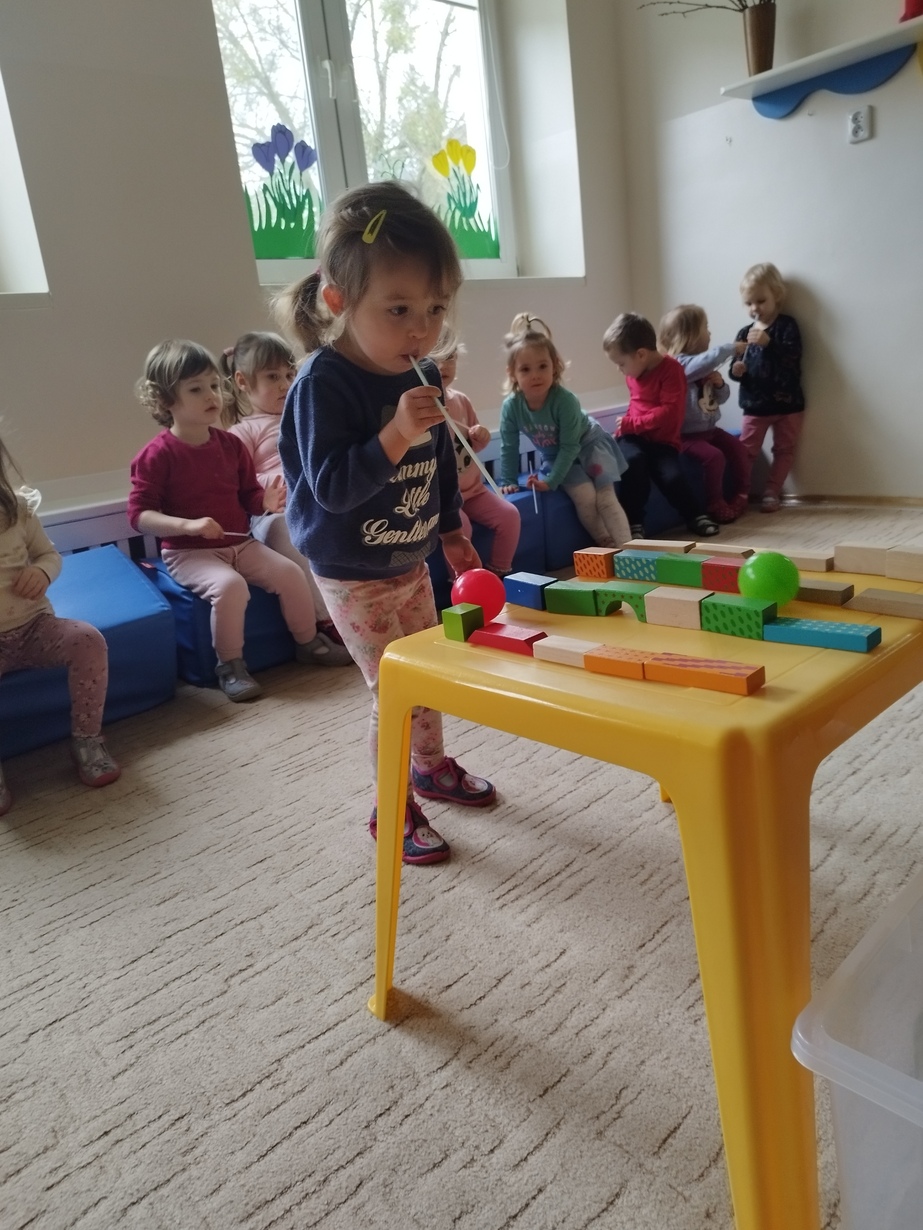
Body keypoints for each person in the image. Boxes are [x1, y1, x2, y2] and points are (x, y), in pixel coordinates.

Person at [275, 181, 495, 866]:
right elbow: (332, 488)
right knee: (395, 687)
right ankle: (391, 804)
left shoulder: (421, 371)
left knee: (427, 673)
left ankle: (428, 767)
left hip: (409, 555)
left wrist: (451, 530)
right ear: (338, 301)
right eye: (398, 309)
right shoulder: (322, 384)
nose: (420, 329)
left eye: (435, 308)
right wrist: (396, 431)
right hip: (350, 569)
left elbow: (437, 460)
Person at [130, 340, 340, 703]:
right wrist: (188, 526)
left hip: (240, 543)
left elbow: (247, 496)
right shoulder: (156, 455)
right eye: (196, 389)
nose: (211, 395)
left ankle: (308, 643)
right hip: (189, 553)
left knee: (290, 573)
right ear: (165, 400)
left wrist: (264, 502)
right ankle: (230, 665)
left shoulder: (230, 445)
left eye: (214, 385)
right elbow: (140, 516)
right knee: (230, 587)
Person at [0, 438, 119, 814]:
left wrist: (41, 572)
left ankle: (87, 739)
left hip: (34, 626)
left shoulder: (17, 510)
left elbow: (48, 554)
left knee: (88, 640)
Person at [220, 331, 352, 665]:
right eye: (272, 376)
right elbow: (236, 482)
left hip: (314, 504)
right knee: (289, 532)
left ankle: (361, 602)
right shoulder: (242, 431)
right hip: (271, 516)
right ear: (243, 382)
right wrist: (268, 483)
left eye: (289, 374)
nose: (284, 384)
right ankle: (327, 620)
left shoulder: (303, 417)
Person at [498, 314, 630, 549]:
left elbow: (571, 445)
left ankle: (629, 549)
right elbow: (509, 445)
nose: (535, 375)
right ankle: (607, 543)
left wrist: (551, 481)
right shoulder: (512, 406)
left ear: (555, 365)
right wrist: (508, 479)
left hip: (589, 443)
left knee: (605, 498)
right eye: (525, 369)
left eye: (542, 366)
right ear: (512, 373)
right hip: (556, 456)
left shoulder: (565, 400)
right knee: (585, 498)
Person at [602, 312, 719, 540]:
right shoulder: (633, 373)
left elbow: (668, 413)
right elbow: (636, 403)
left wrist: (633, 423)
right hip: (633, 436)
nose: (620, 369)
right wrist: (625, 428)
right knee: (633, 463)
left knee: (671, 476)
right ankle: (634, 522)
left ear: (641, 354)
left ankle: (695, 515)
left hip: (661, 441)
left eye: (621, 363)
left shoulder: (671, 370)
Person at [429, 326, 521, 577]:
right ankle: (462, 583)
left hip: (473, 491)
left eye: (450, 356)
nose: (443, 365)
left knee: (510, 516)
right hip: (443, 499)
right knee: (462, 529)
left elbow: (471, 447)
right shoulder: (421, 408)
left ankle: (498, 572)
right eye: (434, 358)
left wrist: (479, 436)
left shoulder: (461, 400)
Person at [658, 304, 749, 524]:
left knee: (739, 448)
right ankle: (715, 503)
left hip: (710, 430)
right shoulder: (678, 366)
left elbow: (721, 398)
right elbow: (702, 363)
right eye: (705, 328)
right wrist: (731, 348)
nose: (709, 333)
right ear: (690, 335)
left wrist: (719, 385)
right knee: (714, 457)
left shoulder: (703, 365)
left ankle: (743, 493)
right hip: (686, 436)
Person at [729, 262, 805, 514]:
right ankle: (741, 493)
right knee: (746, 451)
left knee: (784, 449)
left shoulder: (786, 326)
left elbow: (793, 357)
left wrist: (769, 343)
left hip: (788, 404)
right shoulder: (744, 333)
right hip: (755, 405)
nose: (754, 308)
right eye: (749, 303)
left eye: (761, 301)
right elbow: (734, 367)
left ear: (777, 296)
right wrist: (736, 370)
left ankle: (773, 491)